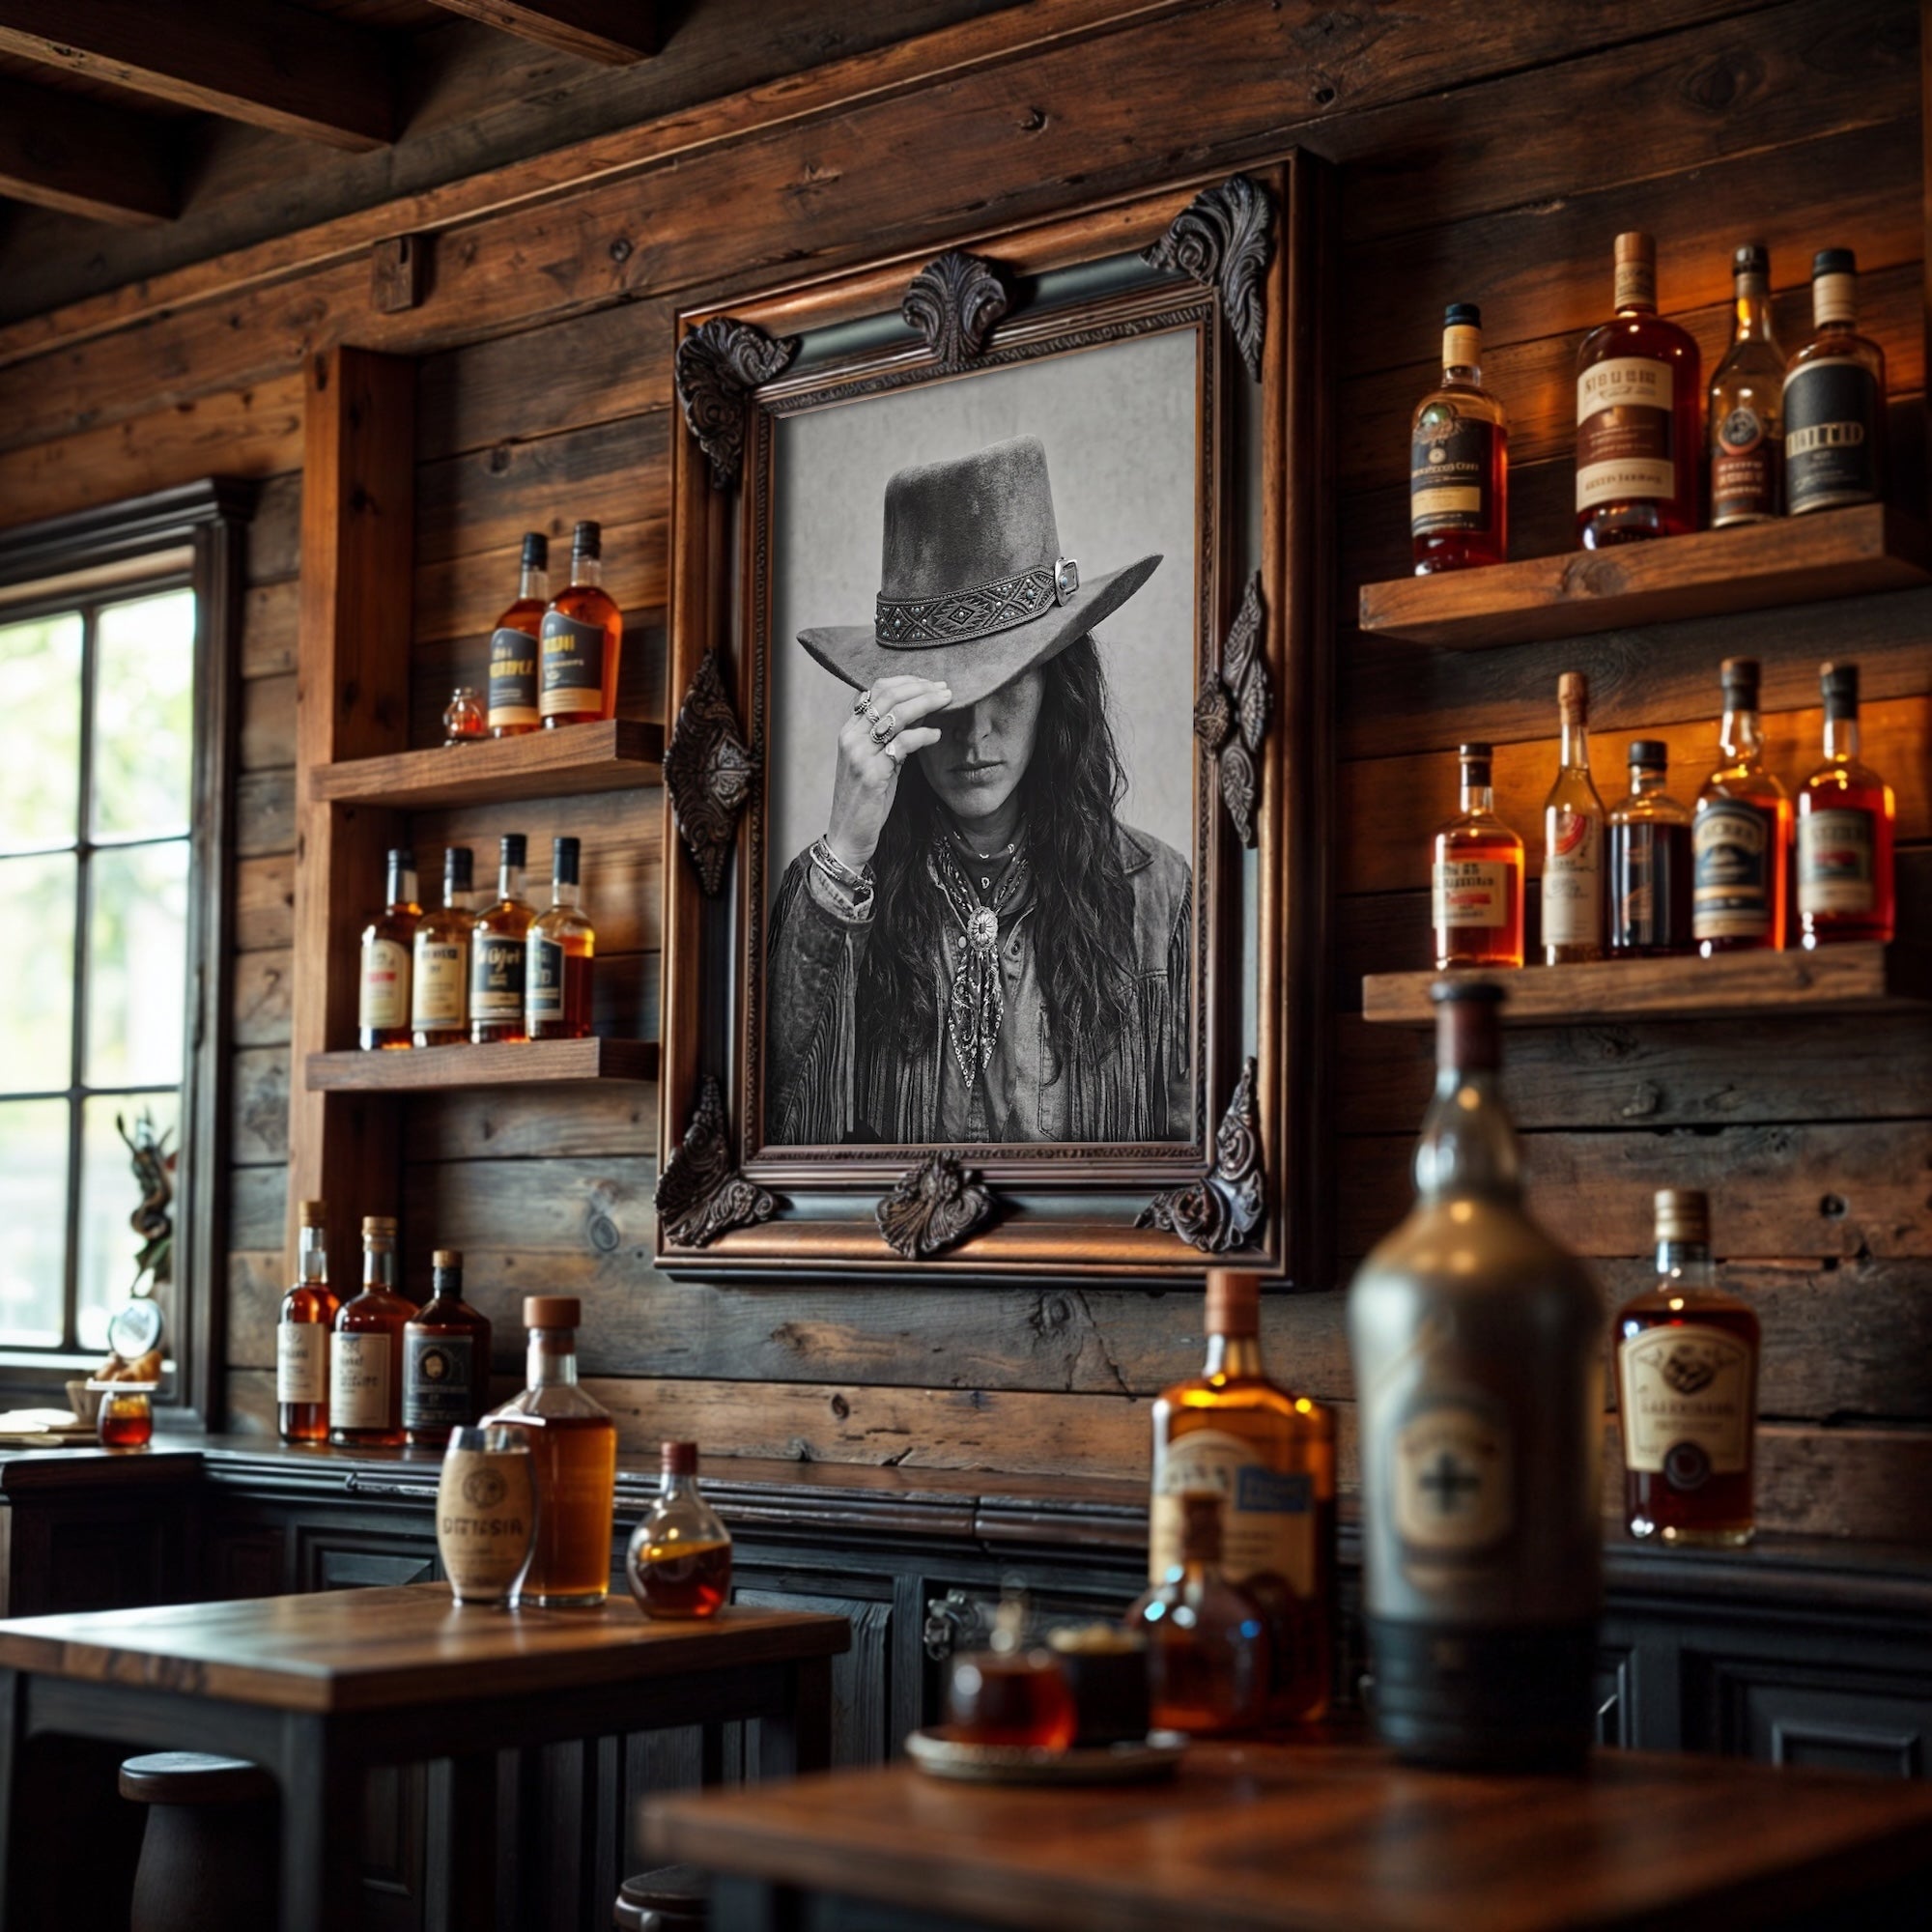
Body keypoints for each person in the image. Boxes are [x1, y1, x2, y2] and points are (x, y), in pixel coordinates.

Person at [767, 436, 1192, 1145]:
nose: (976, 734)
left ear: (1057, 692)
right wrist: (844, 855)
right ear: (894, 705)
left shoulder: (1159, 896)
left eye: (1007, 686)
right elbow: (780, 1145)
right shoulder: (825, 897)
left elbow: (1194, 1171)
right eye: (946, 697)